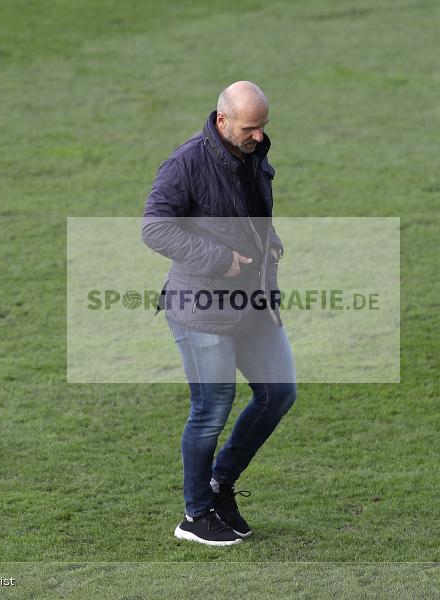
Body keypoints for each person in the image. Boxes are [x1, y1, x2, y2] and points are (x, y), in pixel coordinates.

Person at [141, 81, 297, 546]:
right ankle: (195, 516)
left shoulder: (251, 151)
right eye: (250, 127)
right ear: (223, 120)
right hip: (202, 309)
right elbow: (154, 228)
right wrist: (219, 260)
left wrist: (265, 241)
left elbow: (246, 212)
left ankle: (219, 485)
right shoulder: (186, 162)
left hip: (251, 302)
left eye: (263, 126)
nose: (259, 135)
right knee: (210, 410)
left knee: (279, 392)